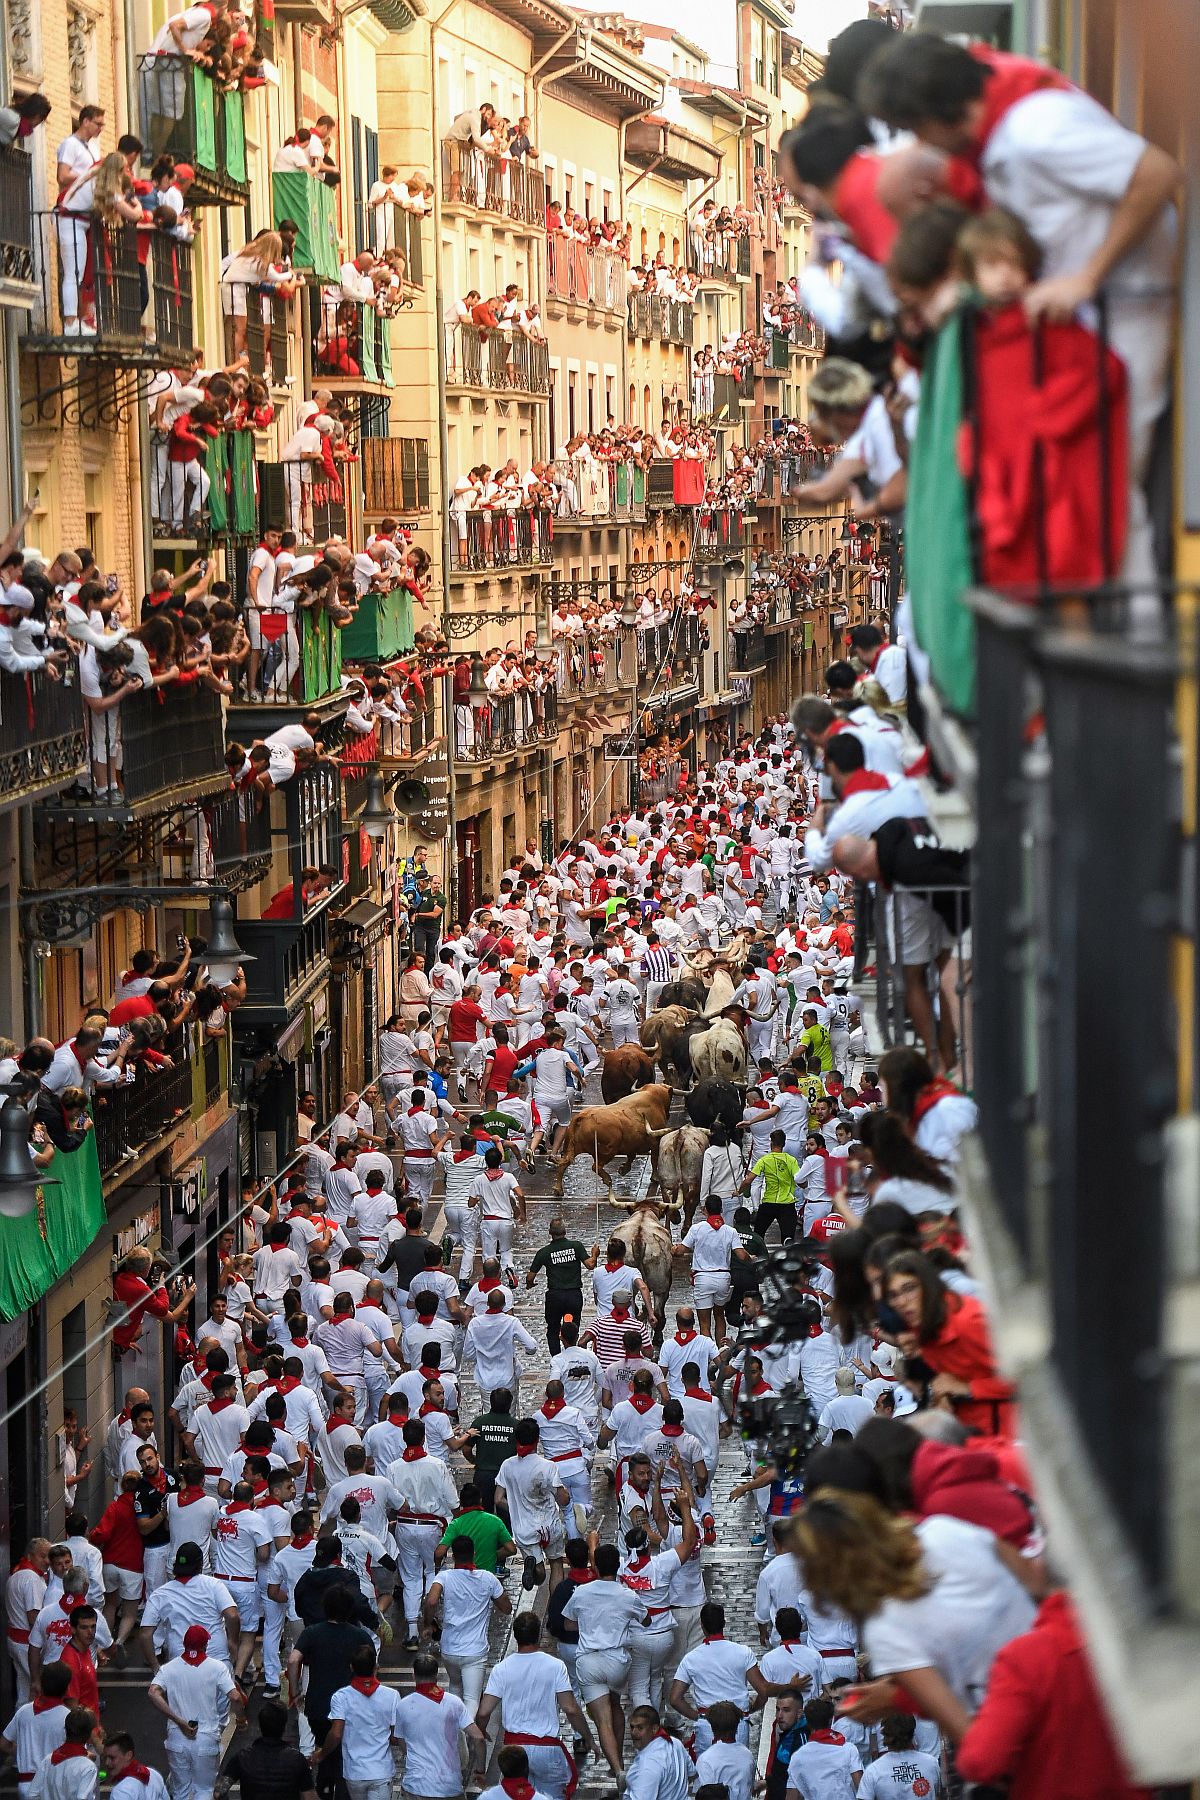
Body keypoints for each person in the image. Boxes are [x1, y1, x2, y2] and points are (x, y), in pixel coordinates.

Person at [477, 1612, 595, 1800]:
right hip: (547, 1749)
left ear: (516, 1636)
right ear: (538, 1634)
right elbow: (571, 1709)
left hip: (514, 1751)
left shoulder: (501, 1669)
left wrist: (481, 1731)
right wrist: (589, 1738)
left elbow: (484, 1712)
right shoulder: (556, 1666)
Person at [147, 1626, 243, 1800]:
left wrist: (178, 1720)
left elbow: (153, 1692)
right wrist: (241, 1718)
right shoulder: (217, 1667)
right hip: (206, 1738)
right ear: (206, 1645)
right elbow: (235, 1697)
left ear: (184, 1644)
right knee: (205, 1790)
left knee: (180, 1791)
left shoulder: (169, 1668)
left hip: (177, 1737)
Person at [423, 1537, 511, 1718]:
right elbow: (507, 1608)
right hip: (475, 1651)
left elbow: (431, 1601)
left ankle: (452, 1728)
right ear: (474, 1554)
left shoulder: (444, 1577)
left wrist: (428, 1624)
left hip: (450, 1648)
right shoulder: (488, 1578)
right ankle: (465, 1731)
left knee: (455, 1689)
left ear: (453, 1556)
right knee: (472, 1700)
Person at [223, 1699, 316, 1800]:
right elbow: (310, 1797)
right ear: (284, 1727)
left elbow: (219, 1793)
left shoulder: (242, 1757)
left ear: (260, 1726)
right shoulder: (297, 1759)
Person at [526, 1218, 592, 1355]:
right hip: (574, 1295)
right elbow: (590, 1265)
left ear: (550, 1233)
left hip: (555, 1296)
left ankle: (556, 1357)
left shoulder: (544, 1252)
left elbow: (530, 1277)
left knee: (553, 1329)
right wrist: (595, 1254)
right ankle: (572, 1354)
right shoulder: (576, 1246)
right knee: (573, 1328)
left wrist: (530, 1284)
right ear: (565, 1231)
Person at [783, 1696, 863, 1798]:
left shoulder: (797, 1757)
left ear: (807, 1722)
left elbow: (792, 1796)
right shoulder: (849, 1749)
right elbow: (862, 1789)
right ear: (830, 1720)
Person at [623, 1707, 693, 1800]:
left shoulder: (648, 1764)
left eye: (640, 1728)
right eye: (632, 1727)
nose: (634, 1732)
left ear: (654, 1729)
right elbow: (692, 1772)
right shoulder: (675, 1743)